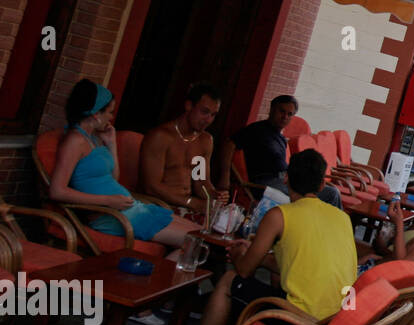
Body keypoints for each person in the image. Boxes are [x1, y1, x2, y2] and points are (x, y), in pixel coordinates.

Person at [200, 149, 358, 325]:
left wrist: (239, 254)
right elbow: (303, 264)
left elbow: (243, 270)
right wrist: (257, 255)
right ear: (322, 185)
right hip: (333, 322)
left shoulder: (279, 215)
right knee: (275, 277)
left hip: (298, 320)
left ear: (286, 179)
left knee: (229, 280)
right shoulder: (343, 217)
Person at [50, 79, 200, 250]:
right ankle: (160, 275)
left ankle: (166, 274)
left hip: (130, 208)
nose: (111, 117)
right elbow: (57, 191)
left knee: (201, 234)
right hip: (110, 215)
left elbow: (113, 178)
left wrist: (111, 144)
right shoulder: (74, 141)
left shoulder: (94, 138)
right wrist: (108, 201)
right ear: (95, 114)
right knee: (197, 242)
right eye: (109, 112)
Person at [216, 94, 342, 209]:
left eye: (289, 114)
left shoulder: (280, 138)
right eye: (281, 111)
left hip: (286, 180)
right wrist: (225, 176)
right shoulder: (256, 130)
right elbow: (229, 144)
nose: (285, 117)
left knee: (332, 192)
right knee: (317, 197)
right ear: (271, 110)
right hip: (266, 183)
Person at [139, 81, 228, 215]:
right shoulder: (161, 137)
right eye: (204, 112)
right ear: (188, 106)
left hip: (187, 207)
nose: (208, 120)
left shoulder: (205, 140)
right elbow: (151, 187)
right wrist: (190, 202)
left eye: (213, 115)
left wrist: (214, 195)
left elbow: (200, 181)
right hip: (158, 205)